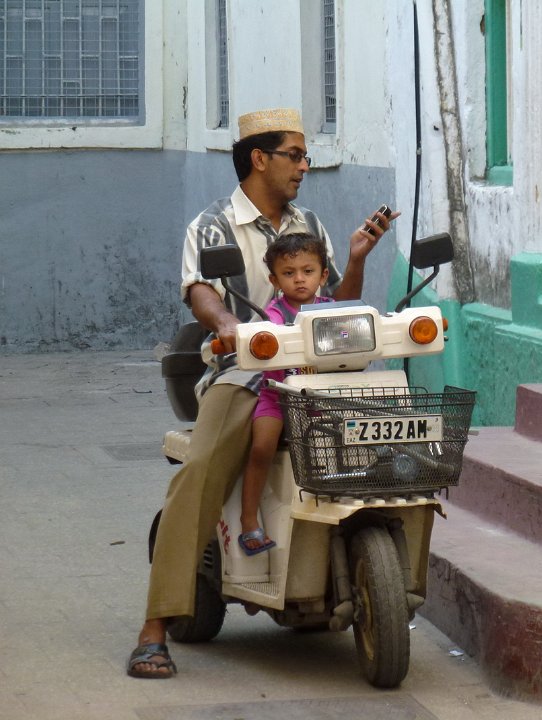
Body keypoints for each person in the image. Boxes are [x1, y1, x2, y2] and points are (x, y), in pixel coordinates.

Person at [127, 107, 397, 679]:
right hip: (245, 374)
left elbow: (337, 303)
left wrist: (355, 259)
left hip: (317, 372)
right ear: (259, 158)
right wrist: (228, 324)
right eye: (295, 155)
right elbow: (200, 290)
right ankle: (154, 628)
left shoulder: (309, 224)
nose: (304, 165)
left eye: (305, 156)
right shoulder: (213, 225)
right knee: (201, 471)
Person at [237, 232, 332, 555]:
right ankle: (248, 519)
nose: (299, 279)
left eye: (308, 271)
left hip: (320, 397)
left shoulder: (330, 309)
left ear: (323, 275)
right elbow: (269, 332)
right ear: (274, 280)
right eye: (289, 273)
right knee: (261, 447)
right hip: (278, 397)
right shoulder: (274, 313)